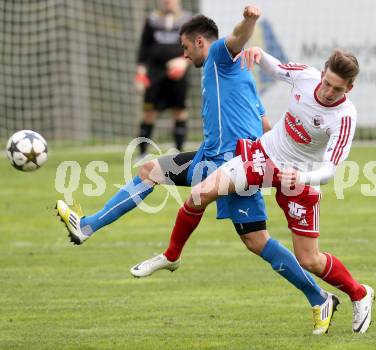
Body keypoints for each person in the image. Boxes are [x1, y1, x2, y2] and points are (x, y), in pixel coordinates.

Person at [56, 7, 338, 335]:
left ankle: (318, 297)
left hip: (234, 165)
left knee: (256, 239)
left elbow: (236, 38)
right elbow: (264, 123)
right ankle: (88, 226)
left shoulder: (220, 56)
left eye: (186, 48)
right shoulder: (238, 76)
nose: (184, 56)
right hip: (214, 158)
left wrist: (250, 20)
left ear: (201, 41)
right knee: (154, 172)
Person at [138, 46, 375, 333]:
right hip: (263, 157)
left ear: (350, 87)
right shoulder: (307, 77)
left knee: (309, 259)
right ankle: (171, 256)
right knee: (201, 193)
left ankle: (359, 294)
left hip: (298, 179)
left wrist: (302, 176)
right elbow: (275, 68)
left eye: (336, 89)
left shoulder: (344, 117)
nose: (327, 92)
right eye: (327, 83)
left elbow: (330, 169)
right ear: (322, 73)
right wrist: (258, 53)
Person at [135, 0, 192, 153]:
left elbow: (197, 47)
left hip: (178, 74)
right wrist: (140, 74)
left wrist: (184, 61)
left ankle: (178, 152)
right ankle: (142, 154)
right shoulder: (152, 19)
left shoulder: (188, 20)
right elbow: (144, 47)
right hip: (154, 73)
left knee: (179, 111)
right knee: (149, 112)